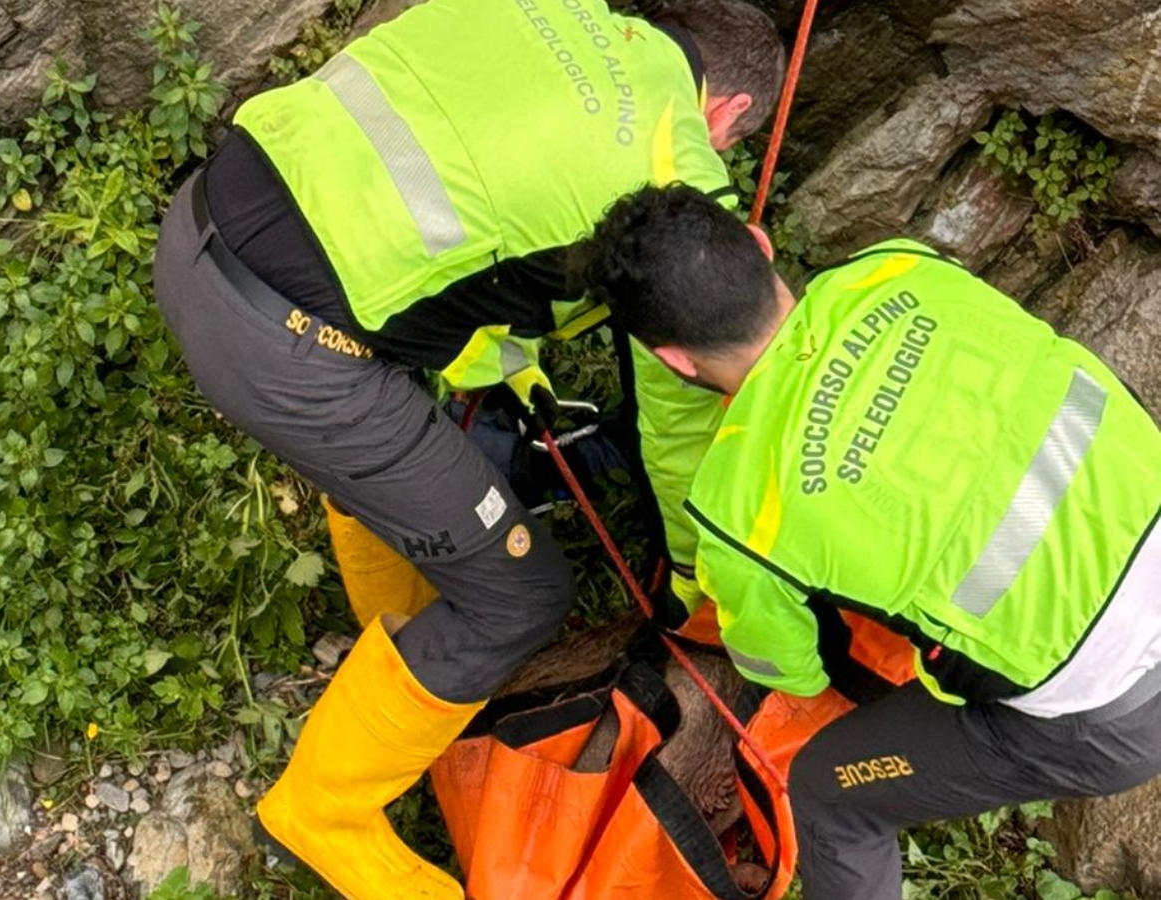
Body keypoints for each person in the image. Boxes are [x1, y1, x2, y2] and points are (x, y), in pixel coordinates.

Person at [152, 0, 784, 896]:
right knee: (524, 596)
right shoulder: (675, 171)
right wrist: (695, 588)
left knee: (415, 464)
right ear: (730, 114)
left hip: (197, 229)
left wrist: (511, 371)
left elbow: (468, 217)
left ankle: (403, 659)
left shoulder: (550, 17)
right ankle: (322, 810)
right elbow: (685, 428)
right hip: (288, 350)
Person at [581, 182, 1161, 900]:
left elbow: (789, 673)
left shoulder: (737, 505)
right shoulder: (897, 268)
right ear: (761, 248)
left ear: (673, 360)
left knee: (831, 794)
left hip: (1109, 717)